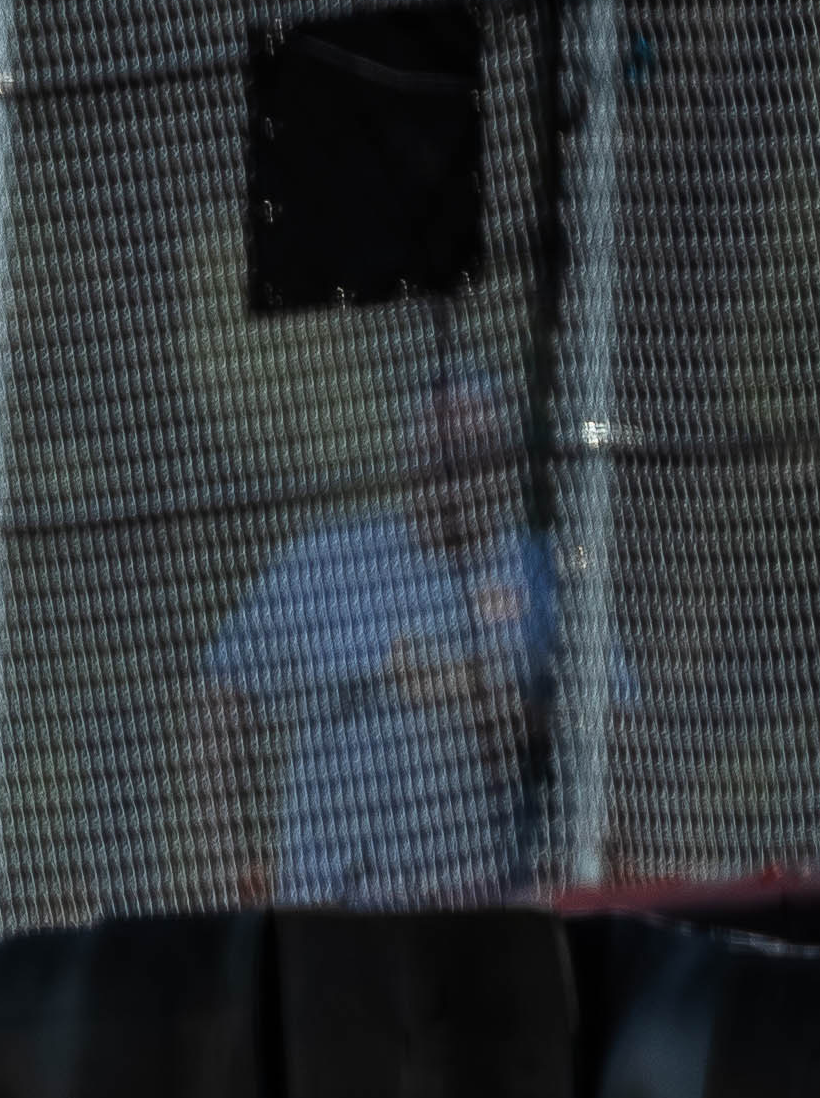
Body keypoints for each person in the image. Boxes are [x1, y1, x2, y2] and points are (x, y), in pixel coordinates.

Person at [200, 372, 577, 906]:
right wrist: (228, 863)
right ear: (407, 460)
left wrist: (492, 700)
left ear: (505, 459)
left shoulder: (541, 572)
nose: (450, 472)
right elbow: (219, 699)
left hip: (489, 903)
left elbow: (611, 717)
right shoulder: (329, 563)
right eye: (433, 453)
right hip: (334, 905)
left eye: (471, 451)